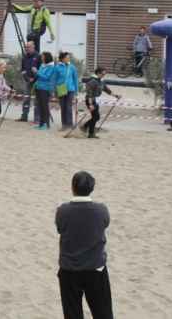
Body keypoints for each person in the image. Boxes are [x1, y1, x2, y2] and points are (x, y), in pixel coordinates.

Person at [55, 171, 113, 319]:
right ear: (91, 188)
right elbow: (105, 225)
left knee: (72, 313)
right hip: (95, 267)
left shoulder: (63, 211)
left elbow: (60, 228)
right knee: (102, 311)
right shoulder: (101, 210)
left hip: (70, 268)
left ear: (72, 188)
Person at [80, 68, 121, 139]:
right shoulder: (93, 81)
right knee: (96, 117)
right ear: (98, 73)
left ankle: (91, 133)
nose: (103, 75)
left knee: (94, 117)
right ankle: (84, 126)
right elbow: (89, 93)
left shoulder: (101, 81)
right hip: (91, 100)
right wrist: (90, 104)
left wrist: (116, 96)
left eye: (105, 74)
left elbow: (107, 90)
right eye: (102, 74)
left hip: (96, 100)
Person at [51, 52, 79, 132]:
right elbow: (54, 79)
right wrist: (53, 90)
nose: (68, 59)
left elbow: (75, 78)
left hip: (70, 89)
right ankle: (64, 125)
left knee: (68, 107)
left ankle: (70, 125)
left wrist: (76, 89)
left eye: (69, 57)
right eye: (67, 58)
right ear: (62, 59)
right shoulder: (57, 67)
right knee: (63, 108)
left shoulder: (72, 67)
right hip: (61, 89)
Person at [16, 41, 41, 124]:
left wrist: (34, 78)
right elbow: (22, 68)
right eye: (26, 47)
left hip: (37, 82)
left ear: (33, 47)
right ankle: (24, 116)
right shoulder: (25, 56)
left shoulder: (38, 56)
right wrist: (26, 78)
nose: (26, 49)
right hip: (27, 82)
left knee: (37, 100)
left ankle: (37, 118)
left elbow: (40, 70)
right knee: (26, 99)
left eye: (28, 47)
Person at [34, 52, 55, 131]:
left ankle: (46, 124)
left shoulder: (51, 67)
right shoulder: (42, 65)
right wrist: (35, 73)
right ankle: (41, 123)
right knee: (39, 107)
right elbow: (38, 75)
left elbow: (46, 77)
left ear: (47, 57)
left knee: (45, 107)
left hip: (45, 89)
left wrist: (37, 72)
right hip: (38, 87)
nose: (41, 58)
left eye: (43, 57)